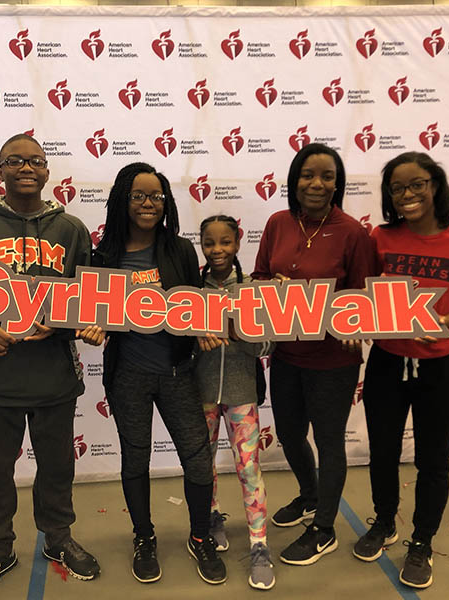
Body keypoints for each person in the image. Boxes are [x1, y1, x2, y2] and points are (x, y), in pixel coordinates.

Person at [0, 133, 103, 599]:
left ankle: (58, 539)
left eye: (35, 160)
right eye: (14, 160)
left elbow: (86, 297)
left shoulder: (71, 229)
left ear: (47, 171)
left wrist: (79, 324)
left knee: (57, 467)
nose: (26, 167)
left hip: (54, 375)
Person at [354, 151, 449, 590]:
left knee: (434, 462)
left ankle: (422, 541)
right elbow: (364, 295)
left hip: (438, 369)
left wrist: (441, 322)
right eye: (397, 188)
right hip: (386, 363)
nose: (407, 194)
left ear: (435, 185)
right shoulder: (380, 237)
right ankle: (383, 522)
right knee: (382, 452)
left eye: (417, 184)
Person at [93, 162, 226, 585]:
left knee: (198, 460)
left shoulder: (179, 249)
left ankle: (200, 536)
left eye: (156, 196)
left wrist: (202, 326)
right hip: (128, 374)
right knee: (135, 460)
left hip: (177, 372)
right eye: (139, 195)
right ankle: (144, 536)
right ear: (122, 199)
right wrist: (95, 327)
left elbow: (195, 304)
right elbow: (95, 313)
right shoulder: (105, 254)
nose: (149, 204)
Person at [251, 143, 373, 566]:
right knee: (287, 434)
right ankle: (309, 495)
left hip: (333, 361)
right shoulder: (278, 223)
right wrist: (274, 284)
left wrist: (355, 326)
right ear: (294, 180)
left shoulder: (353, 231)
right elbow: (259, 276)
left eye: (326, 176)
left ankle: (324, 528)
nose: (316, 184)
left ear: (337, 184)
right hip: (286, 354)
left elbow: (363, 295)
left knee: (328, 440)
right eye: (307, 175)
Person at [193, 214, 274, 590]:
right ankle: (210, 518)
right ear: (202, 246)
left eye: (225, 242)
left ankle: (259, 545)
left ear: (238, 242)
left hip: (242, 394)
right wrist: (198, 335)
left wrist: (239, 330)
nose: (217, 250)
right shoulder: (192, 289)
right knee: (202, 465)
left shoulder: (252, 289)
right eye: (210, 243)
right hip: (202, 393)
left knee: (248, 467)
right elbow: (180, 340)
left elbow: (267, 345)